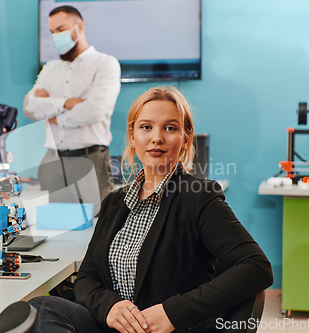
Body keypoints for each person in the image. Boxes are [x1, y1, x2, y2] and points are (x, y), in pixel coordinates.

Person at [27, 86, 273, 333]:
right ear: (133, 136)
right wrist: (109, 307)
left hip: (168, 329)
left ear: (185, 139)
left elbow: (256, 266)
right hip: (113, 327)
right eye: (146, 127)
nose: (157, 137)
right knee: (41, 308)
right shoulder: (114, 202)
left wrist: (173, 313)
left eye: (170, 128)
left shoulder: (198, 196)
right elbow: (88, 278)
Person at [23, 5, 121, 210]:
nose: (56, 36)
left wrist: (52, 114)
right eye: (52, 32)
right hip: (53, 161)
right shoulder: (50, 68)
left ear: (79, 27)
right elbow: (30, 107)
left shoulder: (105, 64)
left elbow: (93, 111)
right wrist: (66, 103)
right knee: (58, 229)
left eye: (60, 29)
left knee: (98, 224)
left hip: (91, 160)